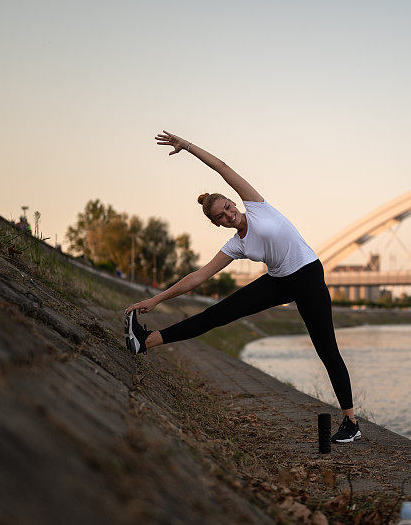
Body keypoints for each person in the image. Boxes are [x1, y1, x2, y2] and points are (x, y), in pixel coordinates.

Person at [124, 131, 361, 444]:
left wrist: (189, 147)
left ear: (232, 201)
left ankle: (350, 422)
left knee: (326, 349)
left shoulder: (257, 205)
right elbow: (197, 277)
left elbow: (222, 167)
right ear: (218, 223)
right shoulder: (235, 245)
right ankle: (146, 341)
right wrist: (156, 299)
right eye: (220, 216)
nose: (227, 213)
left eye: (226, 206)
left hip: (308, 276)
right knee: (216, 314)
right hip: (279, 281)